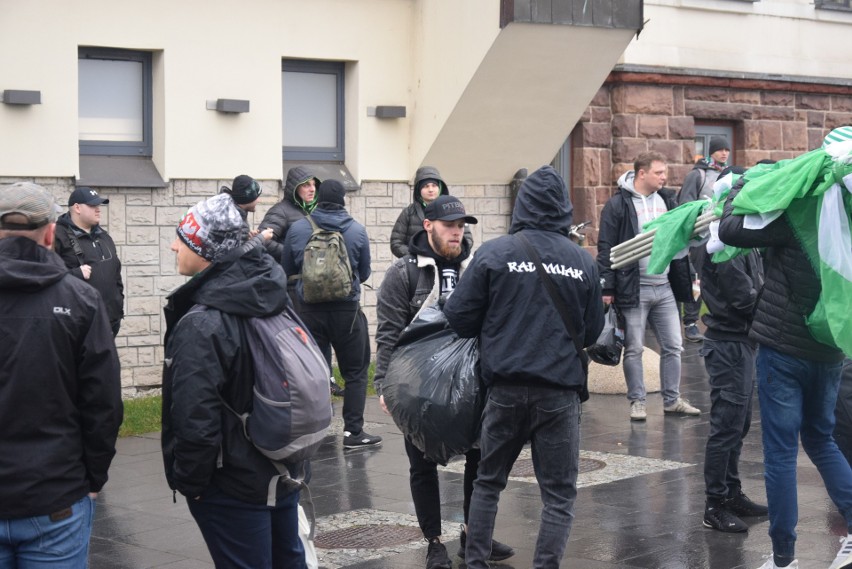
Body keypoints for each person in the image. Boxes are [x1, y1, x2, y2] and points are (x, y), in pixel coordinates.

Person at [443, 165, 604, 569]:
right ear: (564, 208)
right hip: (559, 393)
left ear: (523, 205)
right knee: (559, 494)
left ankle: (475, 563)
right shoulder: (581, 261)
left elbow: (459, 318)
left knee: (488, 482)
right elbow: (592, 331)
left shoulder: (495, 253)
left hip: (506, 389)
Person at [719, 135, 852, 569]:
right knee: (821, 439)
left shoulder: (801, 211)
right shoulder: (845, 216)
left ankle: (783, 558)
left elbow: (732, 229)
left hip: (783, 348)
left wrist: (744, 184)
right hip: (830, 349)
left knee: (780, 452)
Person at [161, 193, 308, 568]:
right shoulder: (268, 293)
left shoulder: (202, 323)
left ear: (208, 250)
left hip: (231, 485)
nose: (174, 245)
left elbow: (195, 416)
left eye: (184, 237)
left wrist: (191, 483)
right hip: (280, 464)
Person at [375, 194, 514, 569]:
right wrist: (383, 384)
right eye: (449, 226)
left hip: (474, 383)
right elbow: (388, 334)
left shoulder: (477, 267)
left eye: (461, 227)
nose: (457, 233)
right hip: (418, 387)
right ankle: (434, 543)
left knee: (479, 459)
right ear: (428, 226)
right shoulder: (404, 273)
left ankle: (473, 534)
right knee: (422, 464)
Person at [0, 182, 123, 567]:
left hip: (57, 495)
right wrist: (93, 480)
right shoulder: (81, 300)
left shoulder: (79, 299)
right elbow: (103, 402)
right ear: (51, 233)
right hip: (57, 497)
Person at [597, 151, 701, 421]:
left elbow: (679, 238)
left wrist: (689, 274)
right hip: (634, 287)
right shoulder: (618, 205)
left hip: (664, 286)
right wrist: (607, 288)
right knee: (634, 348)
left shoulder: (668, 199)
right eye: (659, 172)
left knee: (674, 346)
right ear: (641, 173)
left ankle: (672, 399)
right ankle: (638, 402)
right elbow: (606, 246)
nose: (664, 177)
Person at [693, 167, 768, 533]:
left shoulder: (743, 238)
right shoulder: (723, 244)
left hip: (742, 343)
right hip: (728, 344)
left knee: (739, 424)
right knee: (726, 426)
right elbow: (743, 299)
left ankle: (732, 491)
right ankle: (714, 503)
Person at [282, 179, 381, 449]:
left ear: (318, 199)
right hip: (346, 312)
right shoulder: (357, 231)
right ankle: (353, 433)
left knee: (315, 371)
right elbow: (365, 272)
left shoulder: (298, 229)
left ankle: (318, 428)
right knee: (356, 372)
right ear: (342, 201)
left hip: (308, 311)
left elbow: (287, 268)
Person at [677, 136, 732, 343]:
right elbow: (686, 205)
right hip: (700, 237)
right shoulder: (697, 174)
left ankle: (717, 319)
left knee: (720, 279)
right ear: (711, 152)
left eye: (727, 149)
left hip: (722, 236)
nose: (724, 153)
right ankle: (690, 323)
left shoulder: (727, 174)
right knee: (697, 281)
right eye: (720, 149)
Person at [53, 185, 124, 336]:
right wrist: (75, 274)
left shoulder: (104, 237)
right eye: (92, 205)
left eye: (98, 205)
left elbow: (116, 274)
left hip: (110, 322)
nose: (98, 209)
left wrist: (118, 306)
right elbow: (47, 276)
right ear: (77, 208)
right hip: (78, 325)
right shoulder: (58, 236)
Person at [390, 166, 473, 259]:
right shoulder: (408, 212)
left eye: (434, 185)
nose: (430, 189)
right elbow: (396, 243)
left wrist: (449, 254)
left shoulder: (452, 209)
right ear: (418, 189)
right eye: (426, 186)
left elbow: (468, 240)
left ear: (440, 188)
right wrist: (417, 256)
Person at [259, 166, 320, 264]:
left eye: (314, 185)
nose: (312, 189)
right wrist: (291, 254)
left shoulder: (315, 211)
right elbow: (263, 240)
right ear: (294, 188)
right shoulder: (280, 211)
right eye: (306, 185)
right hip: (288, 275)